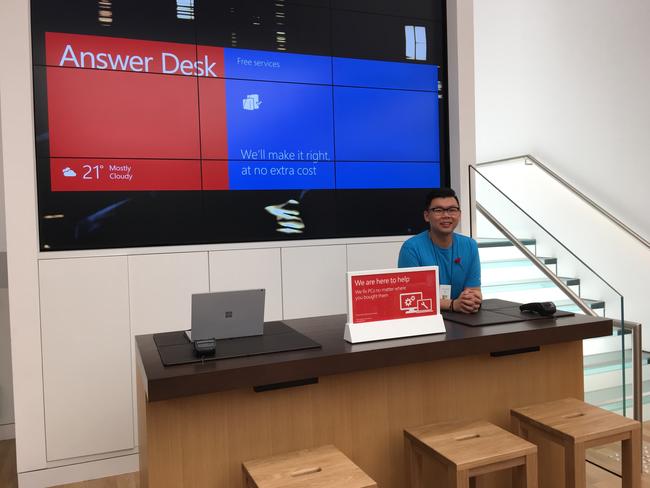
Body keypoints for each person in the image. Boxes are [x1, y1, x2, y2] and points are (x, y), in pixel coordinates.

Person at [398, 188, 482, 314]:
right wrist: (452, 304)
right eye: (438, 210)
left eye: (452, 210)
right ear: (427, 216)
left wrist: (471, 299)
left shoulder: (470, 245)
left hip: (463, 316)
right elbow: (411, 297)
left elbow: (475, 290)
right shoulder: (411, 248)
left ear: (459, 214)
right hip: (426, 318)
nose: (446, 215)